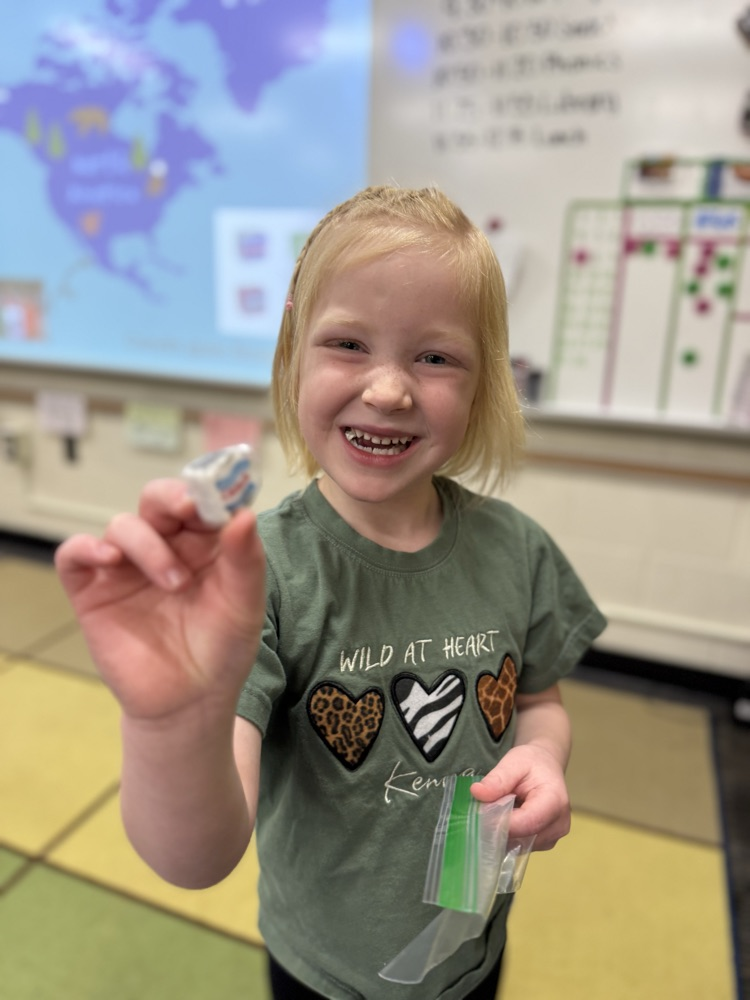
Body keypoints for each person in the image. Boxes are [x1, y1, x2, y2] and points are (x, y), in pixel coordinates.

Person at [55, 185, 607, 1000]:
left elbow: (540, 699)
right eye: (348, 343)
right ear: (293, 360)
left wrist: (543, 754)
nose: (388, 389)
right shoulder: (260, 577)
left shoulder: (516, 550)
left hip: (474, 947)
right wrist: (171, 722)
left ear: (483, 382)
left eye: (435, 356)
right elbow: (195, 857)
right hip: (323, 973)